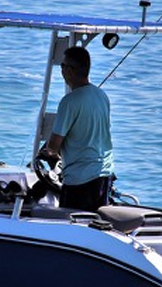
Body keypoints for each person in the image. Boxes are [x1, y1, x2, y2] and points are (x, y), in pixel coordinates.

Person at [40, 46, 114, 212]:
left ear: (69, 70)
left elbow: (53, 147)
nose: (61, 70)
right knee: (96, 225)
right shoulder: (102, 95)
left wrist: (46, 152)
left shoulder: (69, 102)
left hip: (80, 181)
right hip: (103, 174)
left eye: (62, 66)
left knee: (70, 228)